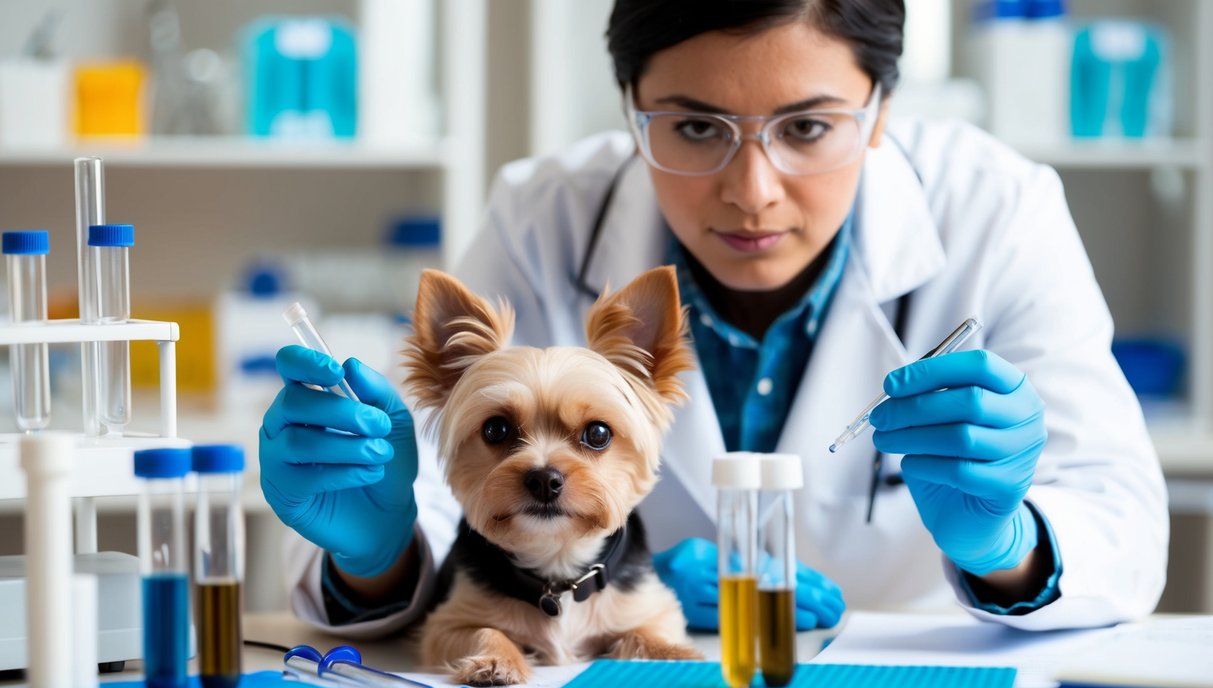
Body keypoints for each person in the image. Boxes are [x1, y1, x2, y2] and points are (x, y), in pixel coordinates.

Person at [260, 0, 1168, 638]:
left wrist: (1007, 544)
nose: (751, 193)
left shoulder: (995, 207)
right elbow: (437, 482)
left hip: (914, 677)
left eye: (807, 129)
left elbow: (1117, 519)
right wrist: (376, 554)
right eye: (694, 129)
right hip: (625, 687)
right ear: (631, 107)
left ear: (882, 108)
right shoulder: (541, 215)